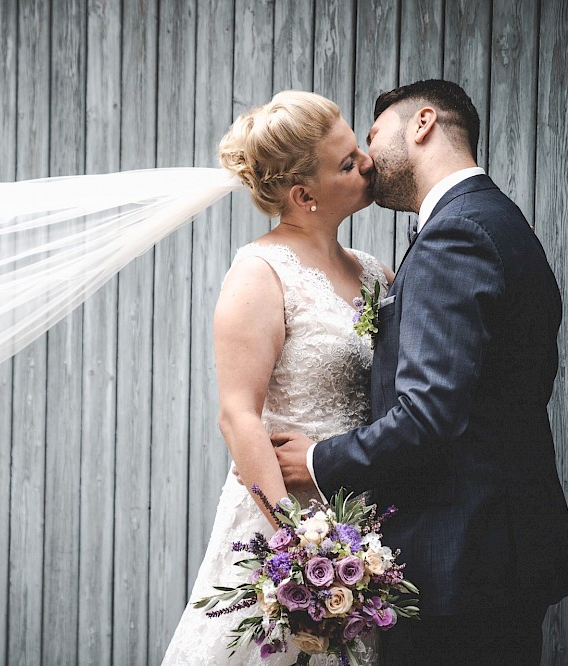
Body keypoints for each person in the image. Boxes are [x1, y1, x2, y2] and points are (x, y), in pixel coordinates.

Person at [273, 80, 568, 665]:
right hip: (498, 549)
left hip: (463, 558)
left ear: (423, 124)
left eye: (372, 135)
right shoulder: (496, 220)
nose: (364, 157)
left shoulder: (456, 235)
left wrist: (315, 460)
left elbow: (427, 414)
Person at [161, 90, 392, 665]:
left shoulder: (374, 272)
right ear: (303, 195)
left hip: (366, 522)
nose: (367, 161)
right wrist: (298, 550)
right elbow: (238, 414)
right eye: (346, 163)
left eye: (356, 146)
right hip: (292, 527)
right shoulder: (259, 274)